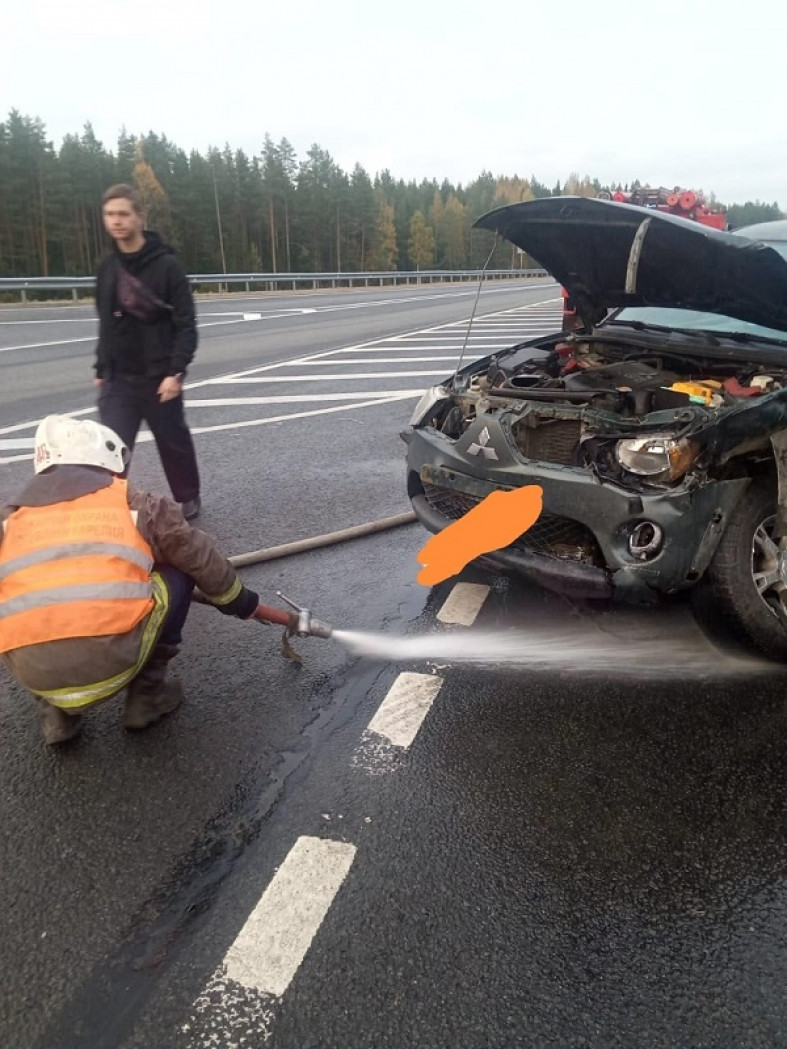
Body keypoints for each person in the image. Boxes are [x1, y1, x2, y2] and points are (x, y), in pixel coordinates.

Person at [0, 416, 278, 746]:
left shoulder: (11, 521)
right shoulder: (137, 504)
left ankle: (55, 714)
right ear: (104, 462)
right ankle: (148, 695)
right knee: (179, 570)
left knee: (23, 597)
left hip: (36, 675)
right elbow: (197, 554)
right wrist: (238, 601)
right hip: (111, 663)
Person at [94, 183, 202, 521]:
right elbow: (106, 323)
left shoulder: (167, 266)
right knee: (110, 449)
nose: (117, 221)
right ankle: (110, 508)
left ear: (139, 216)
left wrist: (176, 372)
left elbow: (186, 324)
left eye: (124, 214)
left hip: (159, 378)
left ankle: (188, 497)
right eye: (110, 215)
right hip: (119, 379)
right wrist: (100, 368)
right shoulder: (108, 269)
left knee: (173, 442)